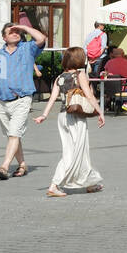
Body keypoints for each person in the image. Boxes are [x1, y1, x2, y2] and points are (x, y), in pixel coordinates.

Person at [33, 47, 106, 197]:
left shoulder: (59, 77)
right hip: (76, 117)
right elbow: (90, 96)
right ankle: (54, 185)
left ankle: (89, 183)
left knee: (81, 150)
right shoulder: (80, 75)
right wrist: (100, 111)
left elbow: (52, 98)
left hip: (62, 116)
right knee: (72, 152)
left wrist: (44, 115)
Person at [0, 21, 46, 180]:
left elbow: (41, 38)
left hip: (21, 99)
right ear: (4, 37)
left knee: (14, 133)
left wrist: (23, 27)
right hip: (2, 101)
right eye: (11, 32)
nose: (15, 33)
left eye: (17, 32)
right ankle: (22, 165)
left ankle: (4, 166)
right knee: (12, 136)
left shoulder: (27, 48)